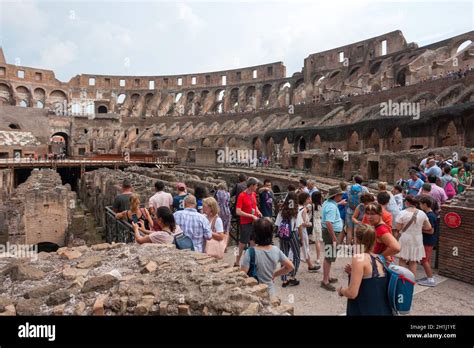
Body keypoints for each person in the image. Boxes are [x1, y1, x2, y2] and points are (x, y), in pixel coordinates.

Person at [337, 224, 393, 316]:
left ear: (357, 240)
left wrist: (341, 290)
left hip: (365, 310)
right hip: (383, 310)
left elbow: (352, 293)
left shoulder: (359, 259)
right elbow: (372, 281)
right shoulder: (380, 258)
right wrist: (353, 273)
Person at [240, 218, 294, 298]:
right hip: (270, 292)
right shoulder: (276, 250)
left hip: (254, 293)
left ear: (255, 234)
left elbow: (242, 275)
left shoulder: (250, 252)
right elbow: (290, 267)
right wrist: (274, 274)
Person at [395, 195, 432, 277]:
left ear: (407, 203)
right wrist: (418, 227)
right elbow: (428, 227)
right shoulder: (422, 213)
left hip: (405, 237)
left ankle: (402, 279)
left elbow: (398, 228)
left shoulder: (402, 213)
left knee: (402, 259)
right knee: (413, 261)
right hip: (417, 238)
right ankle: (412, 280)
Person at [321, 186, 344, 291]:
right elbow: (328, 222)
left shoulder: (328, 203)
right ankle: (325, 281)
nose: (342, 196)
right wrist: (334, 237)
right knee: (329, 256)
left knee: (329, 256)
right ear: (336, 196)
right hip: (332, 233)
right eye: (340, 194)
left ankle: (327, 277)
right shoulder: (331, 207)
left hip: (330, 232)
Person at [234, 177, 262, 266]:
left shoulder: (253, 194)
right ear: (252, 186)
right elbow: (238, 211)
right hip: (245, 223)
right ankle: (237, 261)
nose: (257, 187)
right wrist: (251, 215)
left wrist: (257, 211)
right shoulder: (241, 195)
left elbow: (254, 205)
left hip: (254, 221)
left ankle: (250, 262)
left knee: (253, 242)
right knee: (242, 243)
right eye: (256, 185)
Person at [275, 192, 301, 287]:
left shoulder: (282, 210)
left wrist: (281, 234)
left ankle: (284, 280)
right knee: (297, 255)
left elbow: (277, 224)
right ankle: (292, 276)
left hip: (283, 235)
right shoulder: (295, 211)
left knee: (284, 256)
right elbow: (298, 226)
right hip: (293, 234)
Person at [296, 192, 320, 272]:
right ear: (305, 200)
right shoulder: (304, 210)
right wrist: (310, 224)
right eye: (308, 198)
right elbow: (302, 223)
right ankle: (310, 266)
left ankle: (310, 265)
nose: (310, 200)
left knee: (302, 248)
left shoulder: (298, 207)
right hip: (302, 231)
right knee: (305, 247)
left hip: (297, 230)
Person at [417, 196, 438, 287]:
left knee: (424, 260)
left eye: (421, 204)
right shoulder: (431, 214)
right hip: (429, 241)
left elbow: (431, 230)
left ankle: (430, 279)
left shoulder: (429, 216)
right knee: (426, 260)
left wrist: (418, 229)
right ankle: (429, 277)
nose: (420, 206)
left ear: (425, 204)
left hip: (428, 241)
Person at [345, 175, 368, 246]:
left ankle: (348, 247)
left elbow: (347, 196)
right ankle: (355, 248)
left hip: (350, 209)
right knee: (356, 231)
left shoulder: (349, 187)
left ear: (354, 180)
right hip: (360, 210)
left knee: (349, 230)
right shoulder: (364, 189)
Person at [310, 191, 323, 266]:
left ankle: (306, 256)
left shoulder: (310, 206)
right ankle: (318, 258)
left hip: (311, 223)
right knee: (317, 242)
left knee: (307, 240)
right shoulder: (321, 206)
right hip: (318, 223)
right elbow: (321, 216)